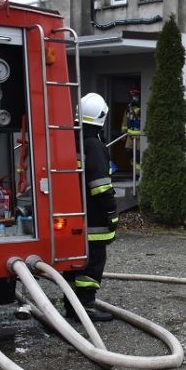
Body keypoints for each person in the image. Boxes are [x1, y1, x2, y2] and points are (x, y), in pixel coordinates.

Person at [69, 92, 118, 322]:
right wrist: (111, 212)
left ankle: (72, 305)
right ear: (101, 117)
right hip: (94, 217)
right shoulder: (94, 145)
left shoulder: (71, 139)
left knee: (75, 262)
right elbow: (101, 186)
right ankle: (85, 306)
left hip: (74, 211)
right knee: (93, 263)